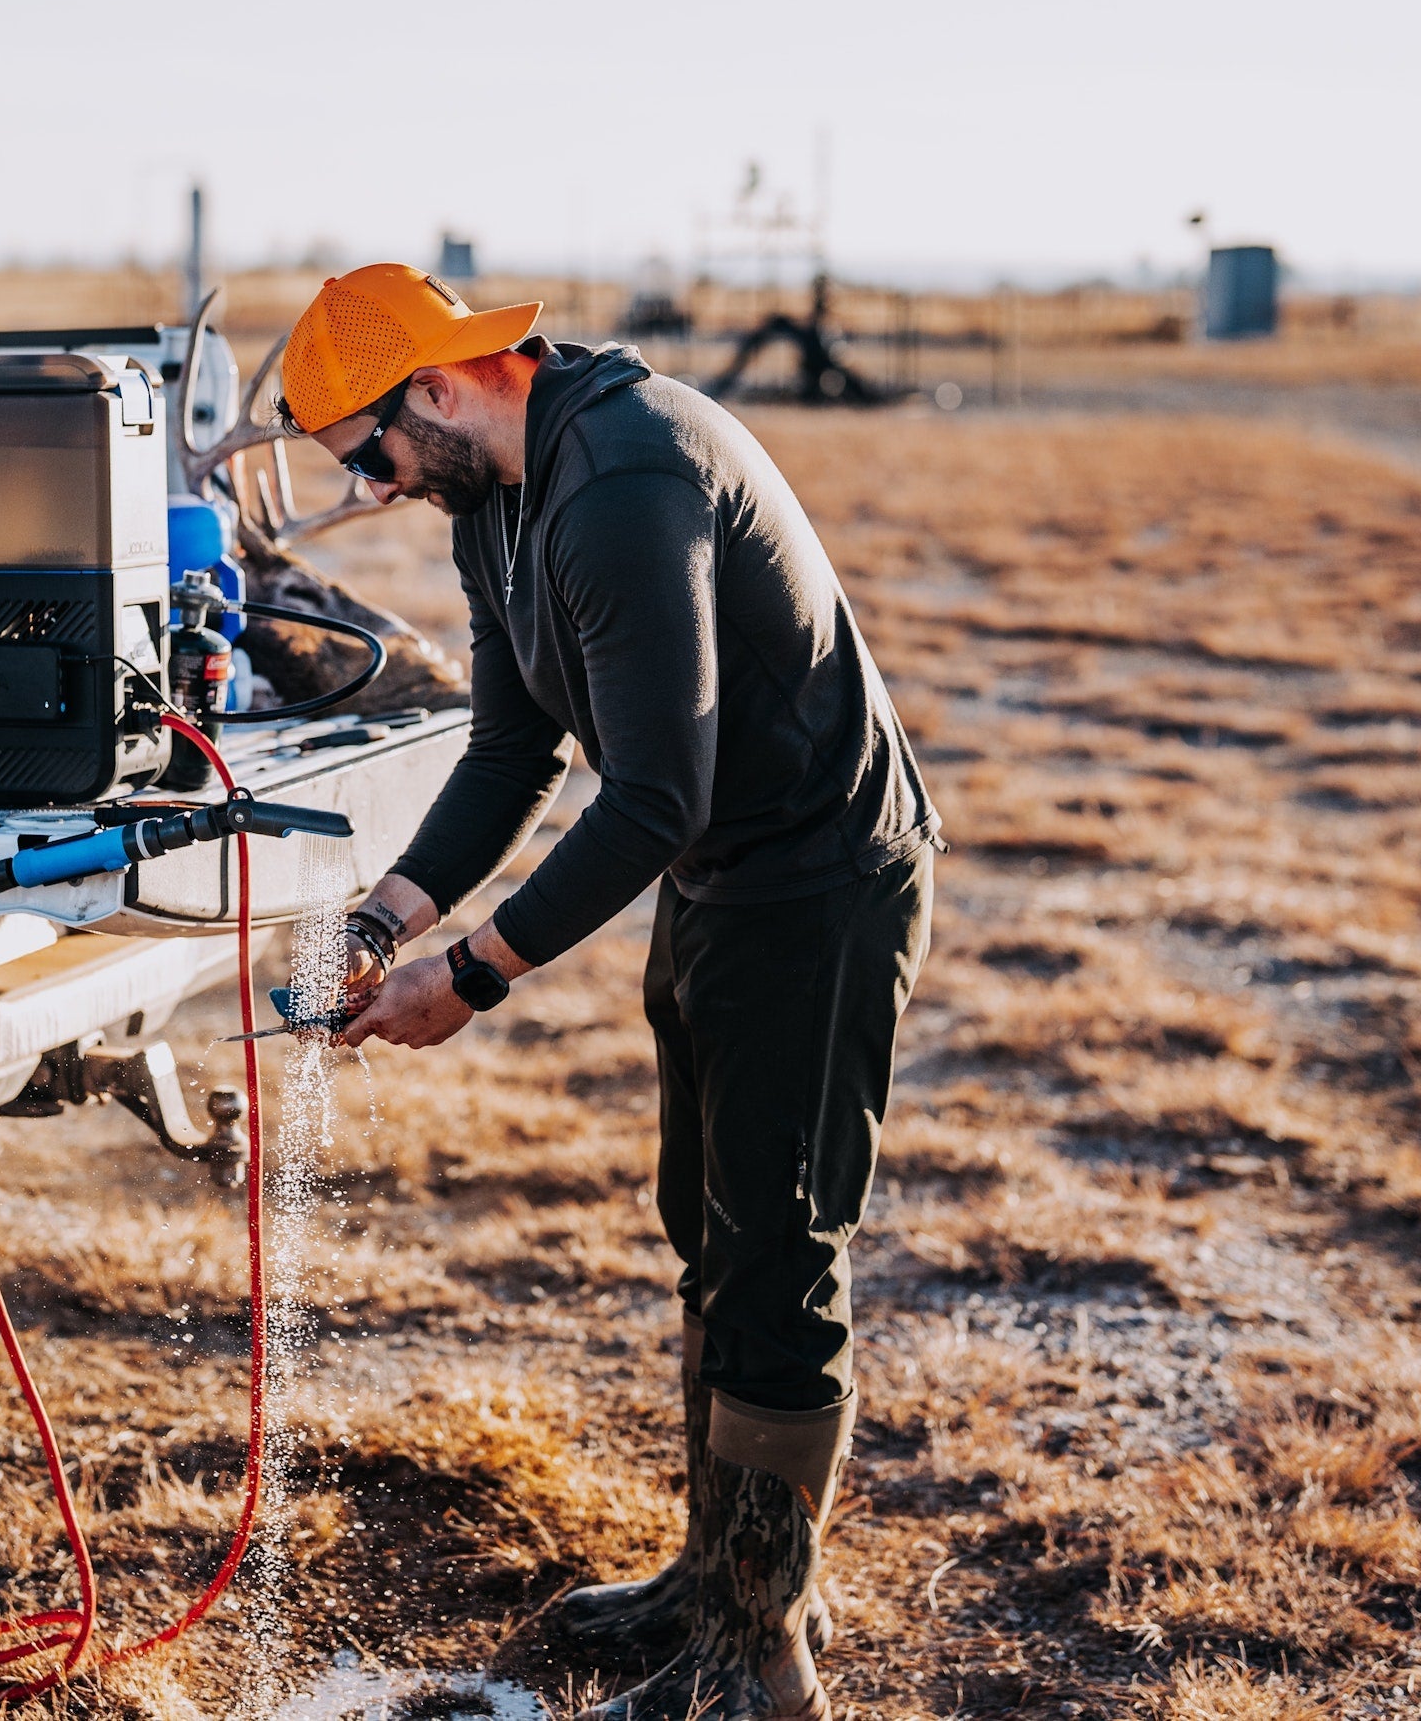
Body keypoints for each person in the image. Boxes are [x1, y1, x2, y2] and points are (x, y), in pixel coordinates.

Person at [280, 264, 937, 1721]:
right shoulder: (495, 500)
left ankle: (756, 1663)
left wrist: (476, 975)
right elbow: (514, 753)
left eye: (369, 451)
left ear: (439, 390)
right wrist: (392, 914)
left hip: (819, 884)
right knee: (701, 1231)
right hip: (720, 880)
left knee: (775, 1257)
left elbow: (649, 794)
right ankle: (717, 1577)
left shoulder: (626, 472)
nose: (375, 487)